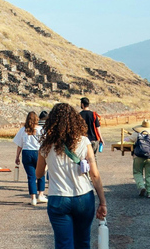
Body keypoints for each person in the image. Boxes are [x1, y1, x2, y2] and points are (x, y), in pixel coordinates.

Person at [37, 103, 107, 249]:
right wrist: (102, 202)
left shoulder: (46, 145)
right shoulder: (84, 141)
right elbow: (94, 174)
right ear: (75, 120)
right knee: (82, 242)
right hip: (83, 196)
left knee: (63, 244)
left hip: (58, 197)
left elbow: (38, 174)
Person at [14, 112, 47, 205]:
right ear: (37, 119)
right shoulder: (41, 130)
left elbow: (19, 145)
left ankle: (33, 198)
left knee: (31, 176)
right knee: (41, 173)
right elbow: (45, 144)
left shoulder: (23, 130)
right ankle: (41, 194)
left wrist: (17, 156)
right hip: (38, 152)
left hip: (26, 152)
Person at [126, 119, 150, 198]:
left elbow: (127, 140)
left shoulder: (136, 133)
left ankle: (141, 187)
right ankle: (149, 193)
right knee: (149, 175)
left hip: (138, 157)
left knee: (137, 173)